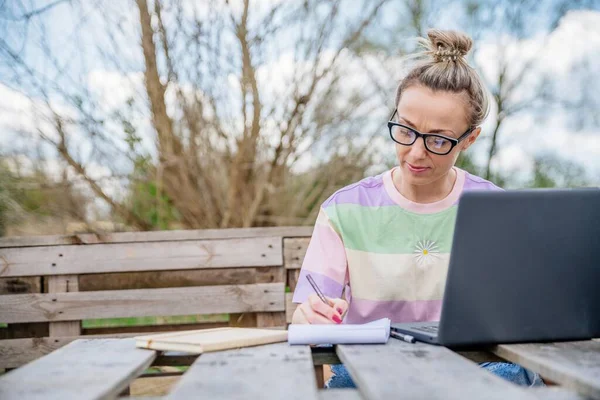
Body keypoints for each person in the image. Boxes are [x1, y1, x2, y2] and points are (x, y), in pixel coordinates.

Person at [291, 29, 543, 388]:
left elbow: (528, 313)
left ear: (469, 139)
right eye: (405, 131)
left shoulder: (495, 209)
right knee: (348, 380)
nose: (416, 152)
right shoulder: (344, 210)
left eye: (438, 140)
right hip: (375, 369)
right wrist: (310, 317)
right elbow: (306, 321)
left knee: (508, 376)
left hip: (476, 369)